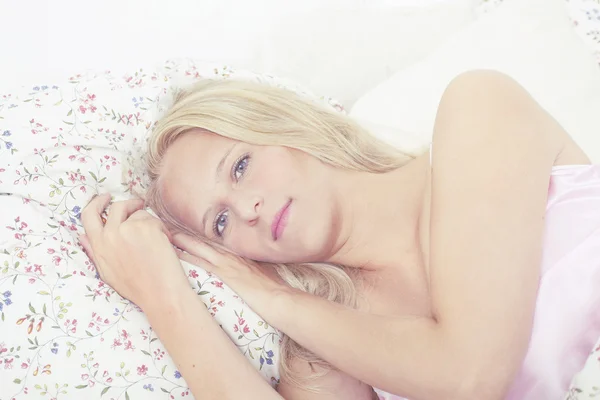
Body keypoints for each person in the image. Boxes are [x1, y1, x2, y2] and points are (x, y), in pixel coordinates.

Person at [79, 70, 600, 400]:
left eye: (239, 167)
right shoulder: (326, 344)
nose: (248, 209)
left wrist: (275, 298)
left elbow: (471, 376)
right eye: (221, 222)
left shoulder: (478, 110)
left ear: (284, 128)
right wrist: (162, 295)